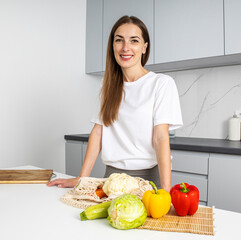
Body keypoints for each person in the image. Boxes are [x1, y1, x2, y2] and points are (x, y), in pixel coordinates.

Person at [47, 16, 182, 192]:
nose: (125, 47)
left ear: (144, 47)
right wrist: (82, 178)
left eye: (134, 41)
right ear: (113, 46)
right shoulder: (110, 86)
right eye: (119, 40)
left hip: (149, 182)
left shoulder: (161, 83)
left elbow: (161, 137)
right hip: (111, 181)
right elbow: (98, 133)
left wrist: (165, 191)